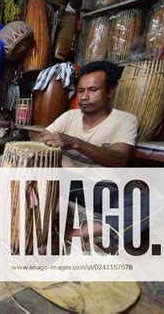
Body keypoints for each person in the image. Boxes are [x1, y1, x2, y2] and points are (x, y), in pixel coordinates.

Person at [37, 61, 146, 248]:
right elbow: (39, 142)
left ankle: (74, 234)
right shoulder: (69, 116)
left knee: (146, 203)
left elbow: (119, 159)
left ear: (110, 91)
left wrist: (73, 142)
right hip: (64, 183)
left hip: (98, 188)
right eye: (80, 91)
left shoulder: (125, 120)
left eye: (93, 90)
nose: (84, 97)